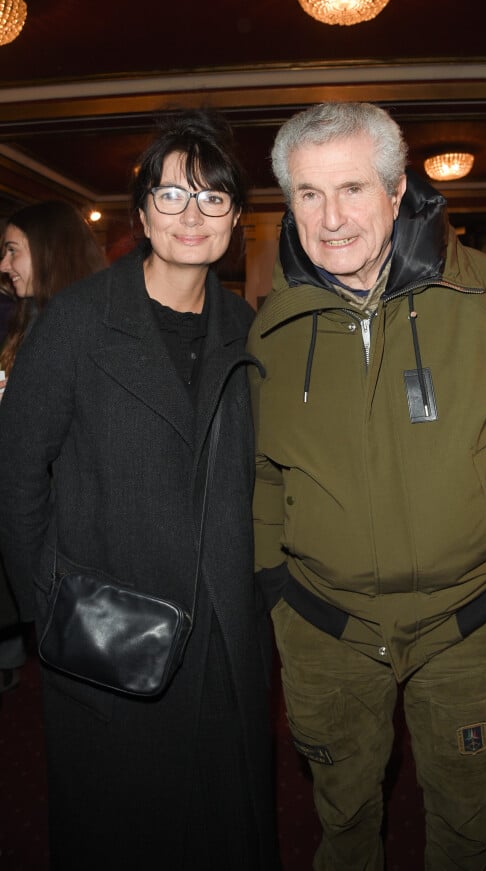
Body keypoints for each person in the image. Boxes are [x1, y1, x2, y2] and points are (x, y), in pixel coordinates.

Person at [247, 102, 486, 871]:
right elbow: (262, 469)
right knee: (343, 819)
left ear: (398, 193)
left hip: (469, 626)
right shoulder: (272, 326)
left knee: (468, 828)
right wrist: (274, 584)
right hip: (325, 630)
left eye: (353, 189)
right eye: (308, 194)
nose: (330, 219)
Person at [0, 110, 279, 871]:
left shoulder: (247, 330)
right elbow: (16, 475)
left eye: (213, 198)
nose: (192, 216)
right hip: (108, 635)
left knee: (223, 828)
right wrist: (52, 608)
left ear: (235, 217)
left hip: (224, 639)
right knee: (123, 833)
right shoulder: (79, 322)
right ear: (141, 214)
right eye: (171, 196)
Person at [0, 201, 106, 695]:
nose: (4, 265)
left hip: (68, 536)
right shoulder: (36, 317)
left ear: (48, 252)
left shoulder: (73, 326)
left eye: (13, 250)